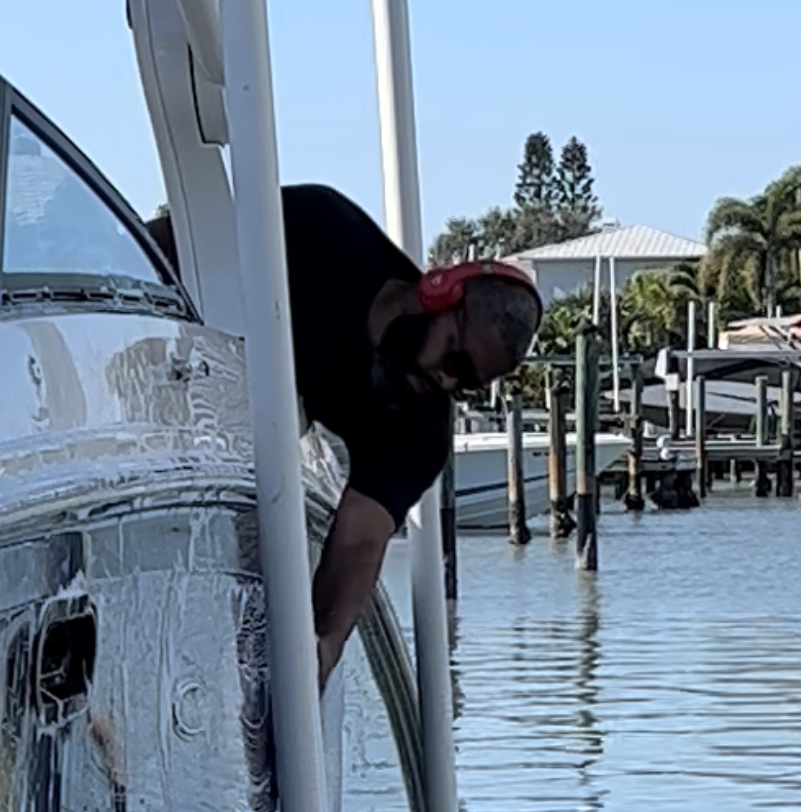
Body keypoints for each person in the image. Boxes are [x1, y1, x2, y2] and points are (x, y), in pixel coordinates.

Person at [148, 186, 542, 683]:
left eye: (466, 383)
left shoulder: (420, 429)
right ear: (438, 291)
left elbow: (360, 540)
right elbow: (171, 240)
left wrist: (322, 647)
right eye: (455, 357)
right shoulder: (322, 226)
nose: (446, 380)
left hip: (229, 448)